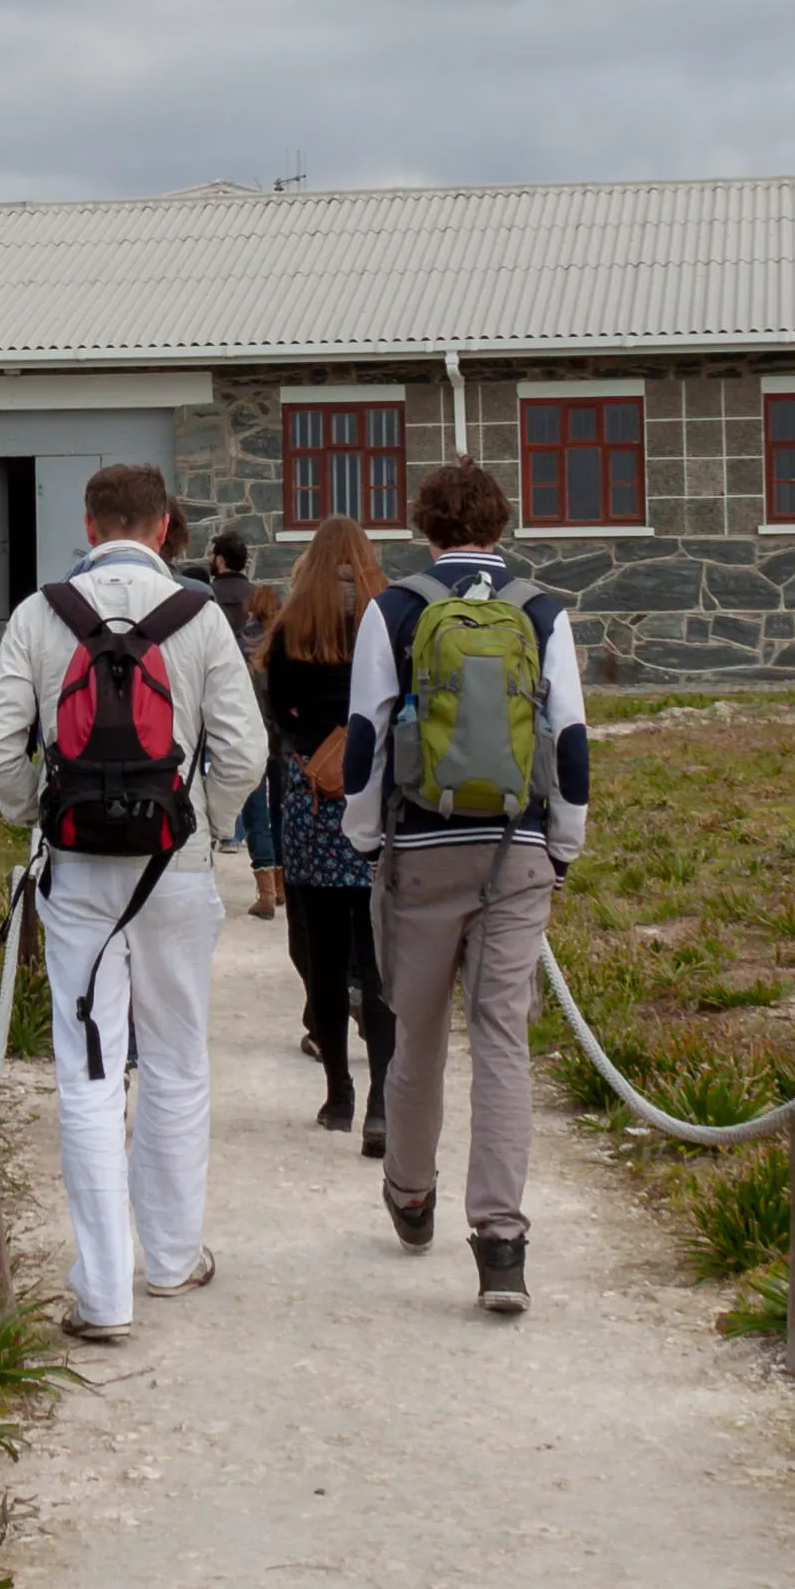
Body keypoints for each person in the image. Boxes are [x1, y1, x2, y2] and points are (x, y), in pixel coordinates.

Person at [0, 459, 268, 1345]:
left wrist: (38, 816)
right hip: (172, 866)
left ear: (92, 529)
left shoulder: (40, 614)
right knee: (177, 1057)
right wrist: (203, 828)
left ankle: (103, 1296)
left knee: (88, 1068)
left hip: (75, 868)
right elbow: (244, 755)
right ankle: (173, 1259)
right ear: (168, 527)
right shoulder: (203, 616)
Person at [342, 458, 591, 1317]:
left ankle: (412, 1196)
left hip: (422, 848)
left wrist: (366, 835)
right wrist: (563, 844)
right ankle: (501, 1243)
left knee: (416, 1036)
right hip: (515, 851)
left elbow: (368, 732)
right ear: (501, 523)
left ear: (424, 527)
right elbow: (570, 740)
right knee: (502, 1042)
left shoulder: (395, 609)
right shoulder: (543, 611)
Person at [256, 518, 395, 1145]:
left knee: (326, 956)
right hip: (374, 797)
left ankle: (338, 1094)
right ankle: (382, 1105)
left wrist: (313, 744)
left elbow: (278, 703)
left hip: (311, 795)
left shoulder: (290, 627)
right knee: (379, 959)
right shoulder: (387, 617)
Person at [206, 531, 280, 914]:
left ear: (219, 560)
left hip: (221, 702)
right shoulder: (257, 597)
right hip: (266, 711)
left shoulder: (206, 599)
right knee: (266, 799)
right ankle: (271, 882)